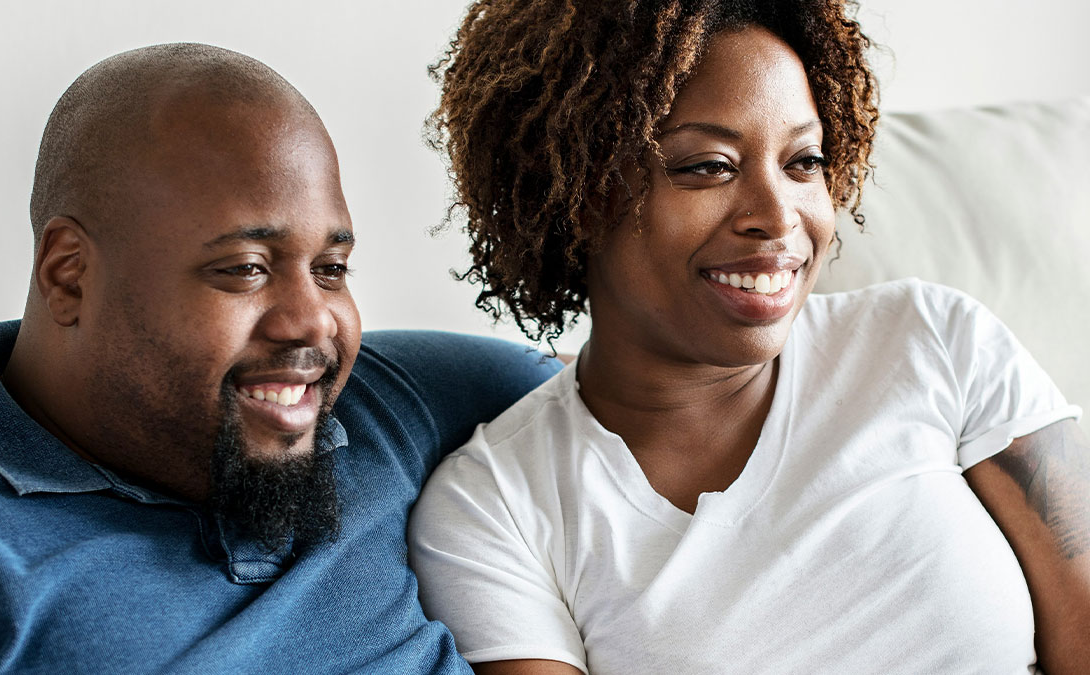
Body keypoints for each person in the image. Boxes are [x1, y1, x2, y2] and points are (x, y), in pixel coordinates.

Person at [408, 1, 1090, 673]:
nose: (777, 215)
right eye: (709, 165)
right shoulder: (494, 505)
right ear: (574, 192)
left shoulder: (934, 340)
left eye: (803, 162)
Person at [0, 43, 561, 673]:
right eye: (245, 267)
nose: (310, 322)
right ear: (70, 275)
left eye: (331, 268)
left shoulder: (393, 406)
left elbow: (639, 397)